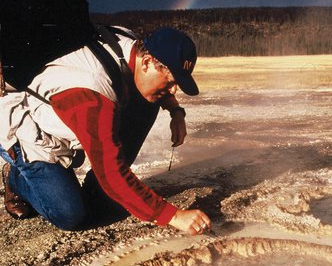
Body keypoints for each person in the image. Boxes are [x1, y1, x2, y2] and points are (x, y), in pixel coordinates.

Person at [0, 27, 211, 235]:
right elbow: (111, 172)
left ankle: (97, 189)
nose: (174, 90)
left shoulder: (131, 45)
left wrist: (176, 111)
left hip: (67, 116)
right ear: (147, 62)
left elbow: (153, 84)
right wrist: (172, 216)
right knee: (71, 215)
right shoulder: (92, 95)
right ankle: (16, 177)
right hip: (29, 129)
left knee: (149, 99)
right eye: (171, 81)